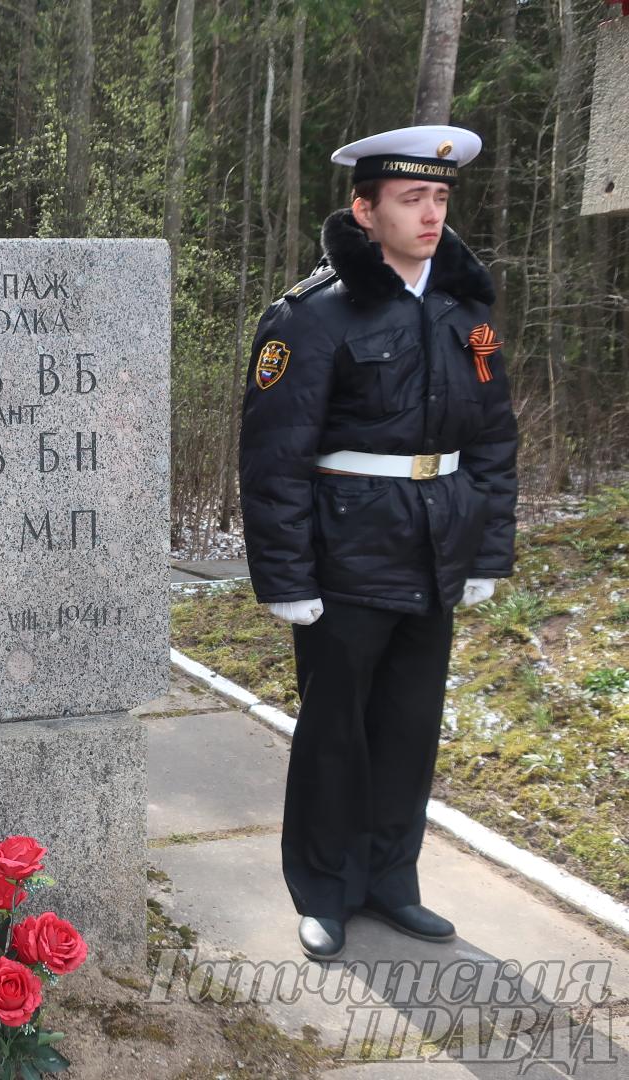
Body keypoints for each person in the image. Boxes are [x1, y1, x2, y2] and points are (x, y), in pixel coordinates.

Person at [238, 126, 518, 963]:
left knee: (408, 726)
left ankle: (393, 880)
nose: (431, 214)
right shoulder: (313, 316)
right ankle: (324, 890)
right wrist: (284, 577)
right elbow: (274, 455)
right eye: (411, 199)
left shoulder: (467, 313)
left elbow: (495, 440)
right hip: (347, 551)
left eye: (440, 198)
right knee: (335, 732)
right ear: (365, 211)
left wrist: (489, 553)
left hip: (437, 549)